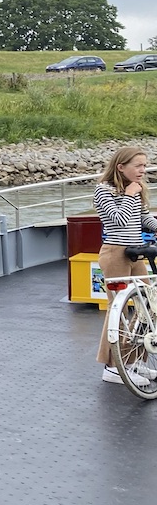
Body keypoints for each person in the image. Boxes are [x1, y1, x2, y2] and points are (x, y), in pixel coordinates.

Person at [94, 145, 157, 386]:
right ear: (120, 167)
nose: (143, 170)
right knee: (117, 310)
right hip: (115, 253)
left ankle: (131, 360)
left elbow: (143, 217)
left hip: (135, 252)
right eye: (138, 166)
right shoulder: (103, 190)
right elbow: (119, 220)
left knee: (148, 305)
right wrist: (130, 194)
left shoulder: (135, 189)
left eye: (144, 166)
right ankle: (112, 367)